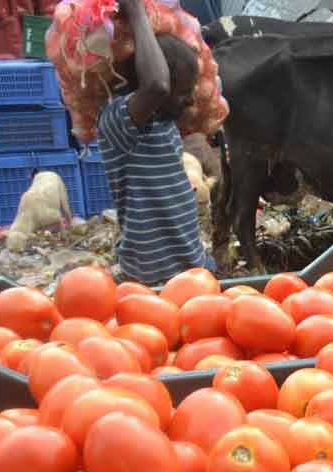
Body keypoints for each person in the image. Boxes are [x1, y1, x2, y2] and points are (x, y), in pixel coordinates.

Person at [97, 0, 213, 284]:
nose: (190, 100)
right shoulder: (119, 121)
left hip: (191, 265)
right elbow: (157, 85)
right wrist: (135, 10)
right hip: (153, 279)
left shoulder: (163, 121)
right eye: (183, 91)